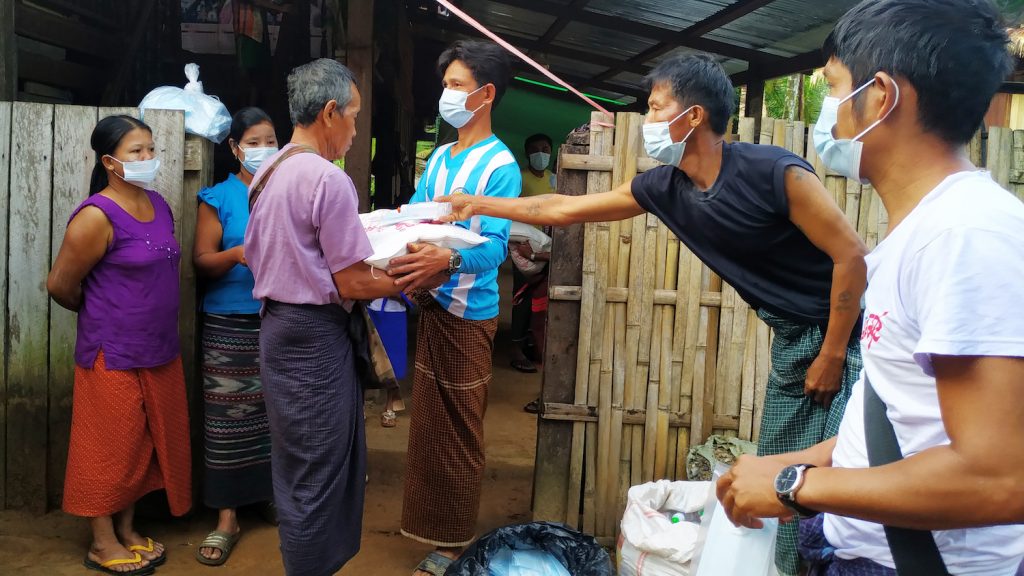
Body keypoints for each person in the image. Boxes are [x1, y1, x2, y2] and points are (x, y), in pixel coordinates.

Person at [440, 53, 868, 575]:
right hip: (791, 337)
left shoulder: (773, 172)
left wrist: (832, 351)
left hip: (847, 338)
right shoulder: (666, 187)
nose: (646, 119)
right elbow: (561, 209)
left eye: (655, 106)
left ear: (693, 117)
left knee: (844, 478)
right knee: (781, 488)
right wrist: (479, 204)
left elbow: (852, 257)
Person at [715, 1, 1024, 575]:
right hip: (864, 551)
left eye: (833, 86)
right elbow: (906, 420)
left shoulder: (964, 238)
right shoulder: (924, 231)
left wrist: (795, 486)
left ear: (880, 97)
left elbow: (1000, 479)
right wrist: (797, 464)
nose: (827, 112)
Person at [243, 58, 418, 576]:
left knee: (300, 465)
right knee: (321, 467)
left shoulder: (266, 172)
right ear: (328, 112)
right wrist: (417, 277)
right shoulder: (328, 180)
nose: (357, 129)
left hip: (278, 329)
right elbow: (353, 282)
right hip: (315, 336)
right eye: (355, 116)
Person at [385, 40, 522, 576]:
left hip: (468, 316)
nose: (447, 94)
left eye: (457, 85)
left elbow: (494, 248)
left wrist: (446, 262)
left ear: (486, 94)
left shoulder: (501, 165)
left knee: (460, 429)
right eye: (446, 85)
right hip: (432, 307)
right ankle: (432, 526)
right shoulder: (440, 157)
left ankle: (454, 540)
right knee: (431, 428)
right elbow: (420, 217)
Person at [47, 115, 191, 575]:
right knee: (108, 445)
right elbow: (61, 285)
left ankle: (128, 529)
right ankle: (101, 541)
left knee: (143, 443)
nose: (149, 158)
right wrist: (106, 317)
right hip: (112, 351)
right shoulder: (95, 216)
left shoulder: (159, 205)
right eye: (136, 151)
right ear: (110, 161)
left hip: (160, 347)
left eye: (151, 149)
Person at [192, 106, 278, 566]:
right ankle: (227, 516)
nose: (264, 150)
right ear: (234, 148)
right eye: (255, 142)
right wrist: (238, 254)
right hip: (230, 321)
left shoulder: (286, 190)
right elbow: (202, 260)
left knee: (274, 416)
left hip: (280, 318)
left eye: (271, 140)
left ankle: (267, 496)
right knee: (227, 422)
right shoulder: (219, 197)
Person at [510, 133, 554, 376]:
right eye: (536, 149)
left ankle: (533, 344)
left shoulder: (553, 179)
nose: (541, 154)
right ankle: (515, 349)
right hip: (524, 247)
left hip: (546, 246)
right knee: (522, 300)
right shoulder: (519, 179)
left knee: (542, 300)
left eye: (545, 149)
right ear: (527, 154)